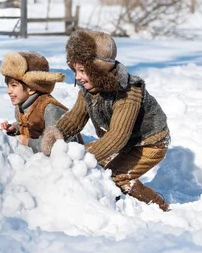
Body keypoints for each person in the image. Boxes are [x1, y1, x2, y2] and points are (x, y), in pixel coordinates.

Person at [42, 29, 170, 211]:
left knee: (118, 176)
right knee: (100, 168)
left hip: (149, 142)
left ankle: (160, 207)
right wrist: (57, 133)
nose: (77, 76)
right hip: (124, 142)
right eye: (75, 70)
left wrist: (82, 156)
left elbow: (118, 136)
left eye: (82, 70)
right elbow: (75, 118)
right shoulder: (89, 89)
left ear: (97, 70)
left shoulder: (127, 93)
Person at [0, 51, 81, 152]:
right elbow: (29, 124)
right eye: (8, 85)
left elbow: (57, 144)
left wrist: (27, 142)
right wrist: (14, 128)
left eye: (14, 85)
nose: (8, 91)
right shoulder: (21, 105)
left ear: (31, 88)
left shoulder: (49, 109)